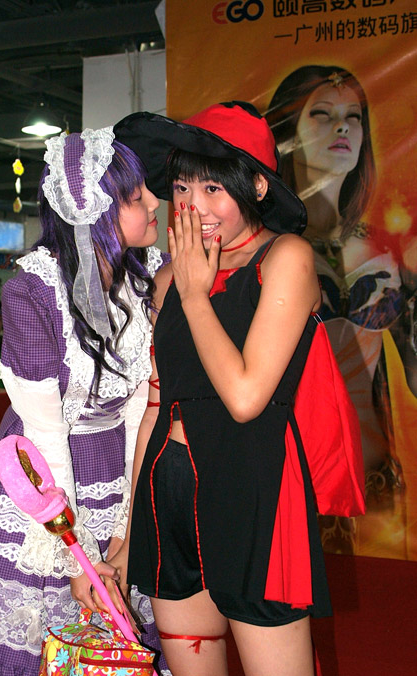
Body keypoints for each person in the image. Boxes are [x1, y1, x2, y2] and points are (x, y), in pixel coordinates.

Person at [110, 102, 340, 676]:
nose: (194, 206)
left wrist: (194, 294)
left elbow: (244, 397)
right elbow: (156, 407)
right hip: (169, 487)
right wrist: (130, 530)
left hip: (254, 489)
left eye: (214, 187)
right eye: (182, 187)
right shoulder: (169, 275)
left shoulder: (286, 259)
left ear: (257, 185)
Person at [0, 128, 170, 675]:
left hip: (118, 466)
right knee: (41, 636)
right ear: (94, 210)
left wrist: (125, 530)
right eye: (135, 196)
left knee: (119, 639)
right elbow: (46, 430)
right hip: (45, 476)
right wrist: (78, 556)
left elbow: (141, 408)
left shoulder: (148, 277)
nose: (153, 204)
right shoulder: (32, 291)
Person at [265, 65, 417, 555]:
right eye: (323, 114)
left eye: (353, 117)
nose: (343, 127)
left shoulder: (387, 250)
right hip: (294, 475)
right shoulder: (265, 251)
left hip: (376, 483)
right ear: (287, 133)